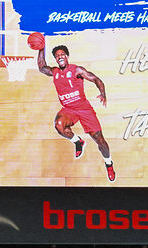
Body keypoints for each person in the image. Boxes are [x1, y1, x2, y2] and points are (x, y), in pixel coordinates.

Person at [32, 36, 115, 182]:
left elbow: (96, 79)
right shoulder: (55, 72)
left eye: (62, 54)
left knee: (100, 141)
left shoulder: (76, 70)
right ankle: (78, 141)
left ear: (67, 56)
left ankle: (109, 163)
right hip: (69, 110)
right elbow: (41, 67)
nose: (60, 57)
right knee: (59, 125)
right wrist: (41, 48)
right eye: (57, 56)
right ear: (56, 60)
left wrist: (102, 93)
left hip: (84, 110)